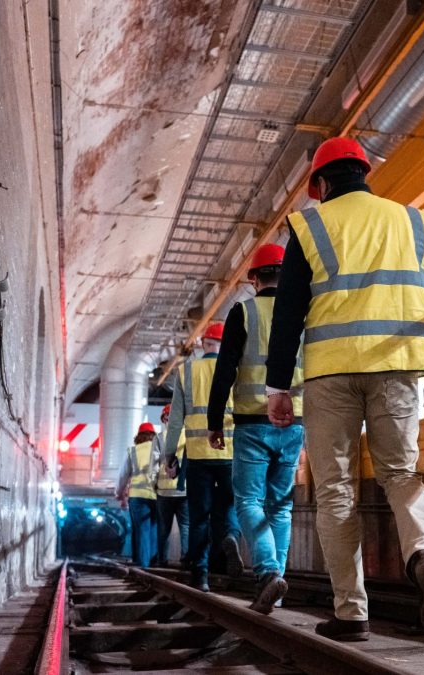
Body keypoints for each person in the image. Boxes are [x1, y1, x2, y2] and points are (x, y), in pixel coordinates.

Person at [265, 137, 424, 641]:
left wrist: (277, 387)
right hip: (398, 368)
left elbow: (288, 313)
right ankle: (422, 554)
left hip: (331, 374)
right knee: (400, 473)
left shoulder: (309, 225)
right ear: (364, 173)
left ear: (322, 183)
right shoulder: (413, 221)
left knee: (336, 490)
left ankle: (351, 613)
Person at [207, 243, 304, 614]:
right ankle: (275, 584)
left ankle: (266, 573)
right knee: (280, 507)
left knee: (248, 500)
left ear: (253, 277)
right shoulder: (303, 312)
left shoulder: (243, 312)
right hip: (295, 422)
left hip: (252, 423)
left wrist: (215, 421)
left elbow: (225, 370)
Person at [164, 323, 244, 591]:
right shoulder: (237, 369)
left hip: (198, 456)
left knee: (199, 517)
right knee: (228, 508)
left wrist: (169, 455)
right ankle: (231, 537)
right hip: (230, 453)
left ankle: (201, 575)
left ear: (204, 344)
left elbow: (175, 421)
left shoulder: (186, 371)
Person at [116, 422, 160, 568]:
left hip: (138, 496)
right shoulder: (159, 449)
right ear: (153, 436)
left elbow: (123, 475)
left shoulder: (132, 451)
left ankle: (143, 565)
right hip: (157, 495)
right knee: (154, 528)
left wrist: (119, 494)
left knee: (142, 529)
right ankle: (154, 564)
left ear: (138, 436)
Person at [155, 404, 189, 567]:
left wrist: (153, 484)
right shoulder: (189, 436)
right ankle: (185, 558)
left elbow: (153, 465)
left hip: (164, 491)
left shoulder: (160, 438)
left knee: (164, 528)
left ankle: (162, 560)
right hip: (184, 491)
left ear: (164, 419)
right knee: (185, 526)